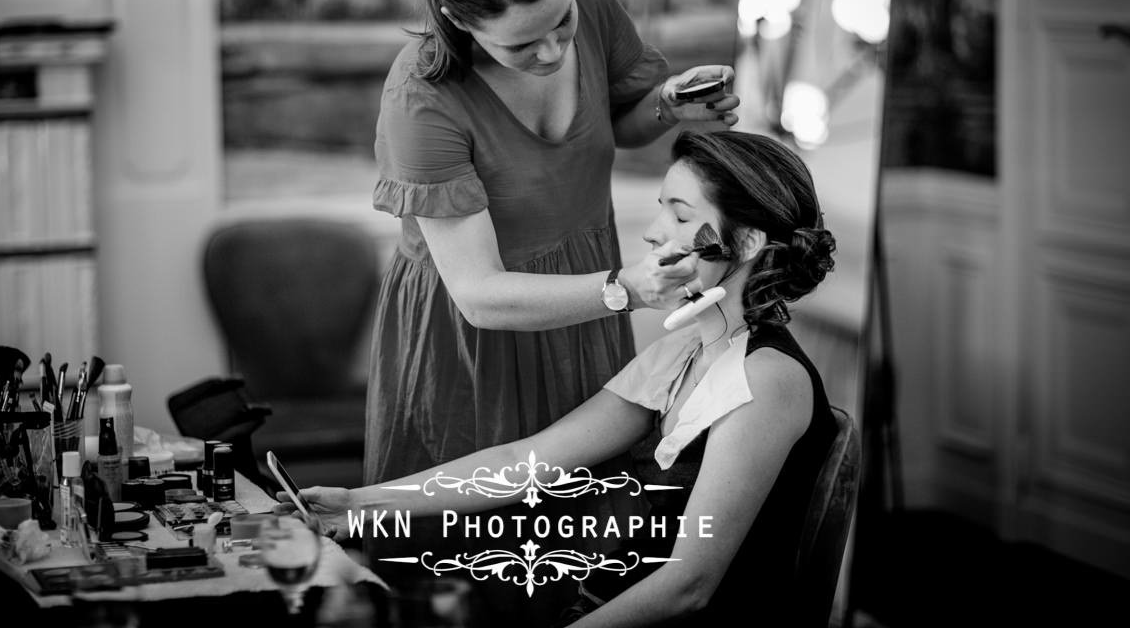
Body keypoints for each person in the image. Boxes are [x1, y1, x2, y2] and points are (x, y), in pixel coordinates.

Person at [284, 129, 840, 627]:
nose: (652, 233)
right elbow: (523, 463)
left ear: (743, 243)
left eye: (679, 213)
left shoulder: (766, 379)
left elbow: (687, 587)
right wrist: (361, 504)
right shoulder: (681, 352)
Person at [366, 0, 737, 621]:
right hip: (469, 342)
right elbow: (478, 294)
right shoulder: (422, 95)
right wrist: (623, 290)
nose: (551, 53)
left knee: (572, 554)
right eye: (519, 46)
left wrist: (666, 105)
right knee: (464, 567)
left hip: (588, 309)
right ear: (455, 15)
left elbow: (620, 124)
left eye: (558, 22)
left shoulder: (593, 6)